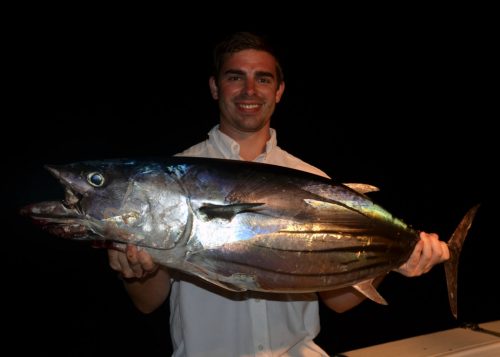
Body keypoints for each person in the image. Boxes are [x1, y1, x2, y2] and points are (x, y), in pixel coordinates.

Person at [108, 32, 449, 356]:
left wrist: (395, 259)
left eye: (263, 79)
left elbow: (339, 301)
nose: (249, 90)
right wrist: (135, 271)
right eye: (235, 77)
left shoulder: (314, 181)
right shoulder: (167, 179)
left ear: (279, 90)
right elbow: (147, 302)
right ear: (215, 87)